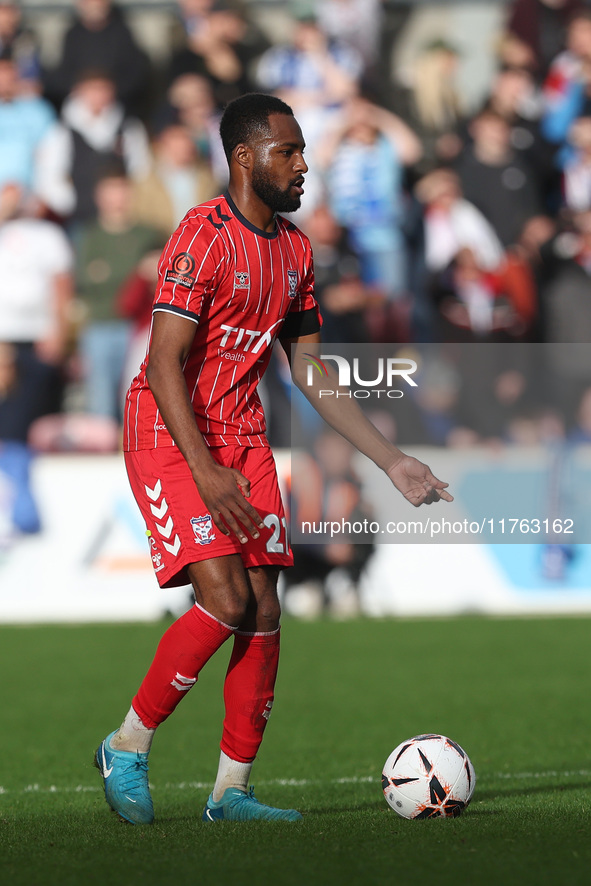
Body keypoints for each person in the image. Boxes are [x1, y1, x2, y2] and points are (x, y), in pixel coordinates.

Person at [93, 92, 452, 826]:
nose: (303, 164)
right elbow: (164, 366)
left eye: (303, 151)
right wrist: (203, 470)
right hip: (170, 433)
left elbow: (311, 372)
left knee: (262, 609)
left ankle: (231, 793)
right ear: (244, 157)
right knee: (223, 600)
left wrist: (390, 460)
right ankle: (126, 745)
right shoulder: (201, 235)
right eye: (288, 151)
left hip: (244, 437)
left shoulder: (294, 250)